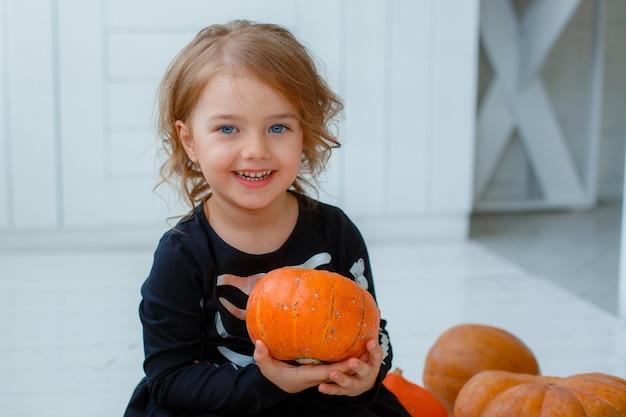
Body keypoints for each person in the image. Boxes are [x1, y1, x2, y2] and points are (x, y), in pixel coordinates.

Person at [124, 20, 410, 417]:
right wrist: (267, 383)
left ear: (305, 133)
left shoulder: (335, 231)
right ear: (190, 140)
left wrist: (368, 373)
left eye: (278, 127)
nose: (255, 149)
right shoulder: (183, 254)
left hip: (319, 400)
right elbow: (169, 378)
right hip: (219, 405)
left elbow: (372, 330)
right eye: (228, 128)